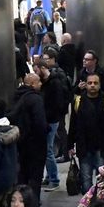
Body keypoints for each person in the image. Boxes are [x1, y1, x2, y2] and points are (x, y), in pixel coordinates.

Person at [68, 73, 104, 193]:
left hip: (102, 146)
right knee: (85, 179)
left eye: (95, 83)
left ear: (100, 85)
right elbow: (73, 125)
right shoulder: (78, 101)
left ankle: (99, 204)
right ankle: (88, 205)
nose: (92, 85)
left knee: (101, 178)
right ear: (85, 85)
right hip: (83, 146)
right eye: (90, 83)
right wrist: (70, 145)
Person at [7, 74, 48, 202]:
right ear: (32, 84)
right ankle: (34, 205)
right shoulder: (35, 99)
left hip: (20, 143)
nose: (41, 84)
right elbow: (40, 123)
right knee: (35, 177)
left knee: (22, 175)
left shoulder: (16, 96)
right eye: (38, 82)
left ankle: (21, 203)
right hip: (35, 144)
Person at [34, 60, 66, 190]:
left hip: (51, 120)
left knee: (48, 150)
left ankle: (54, 179)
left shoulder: (54, 83)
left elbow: (57, 104)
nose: (35, 73)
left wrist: (46, 116)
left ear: (42, 68)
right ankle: (49, 177)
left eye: (36, 70)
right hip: (47, 120)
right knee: (46, 149)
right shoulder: (46, 82)